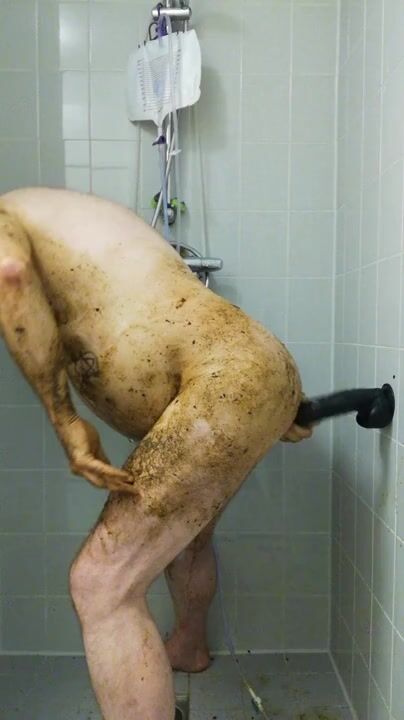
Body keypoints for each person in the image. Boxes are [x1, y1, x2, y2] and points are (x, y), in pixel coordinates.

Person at [0, 187, 312, 720]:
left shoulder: (7, 216)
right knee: (186, 535)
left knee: (102, 584)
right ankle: (188, 646)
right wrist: (271, 401)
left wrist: (66, 419)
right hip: (244, 367)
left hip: (224, 379)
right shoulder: (57, 215)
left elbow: (10, 275)